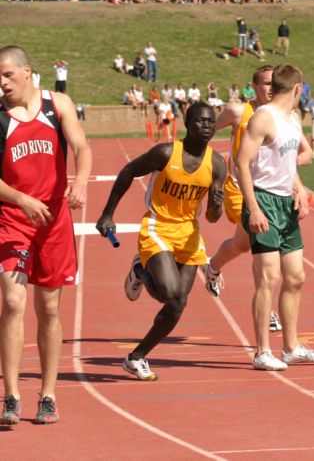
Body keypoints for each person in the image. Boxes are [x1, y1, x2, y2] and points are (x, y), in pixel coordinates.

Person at [95, 102, 227, 381]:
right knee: (169, 292)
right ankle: (141, 269)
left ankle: (136, 357)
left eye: (211, 122)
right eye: (201, 122)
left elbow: (214, 218)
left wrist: (217, 205)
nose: (207, 127)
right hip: (158, 225)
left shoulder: (216, 163)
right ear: (188, 124)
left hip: (189, 232)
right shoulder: (166, 153)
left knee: (178, 304)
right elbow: (129, 170)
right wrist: (108, 213)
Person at [0, 45, 92, 425]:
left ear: (26, 72)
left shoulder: (57, 105)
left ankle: (49, 395)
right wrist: (21, 199)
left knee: (50, 308)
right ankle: (10, 396)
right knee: (13, 301)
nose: (2, 83)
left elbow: (82, 147)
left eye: (7, 75)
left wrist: (82, 180)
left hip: (52, 222)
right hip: (12, 218)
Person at [235, 64, 314, 371]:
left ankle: (290, 347)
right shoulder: (264, 117)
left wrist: (300, 190)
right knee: (268, 278)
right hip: (262, 199)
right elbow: (242, 163)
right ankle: (262, 351)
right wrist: (254, 207)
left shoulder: (293, 118)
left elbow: (291, 160)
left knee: (296, 277)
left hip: (285, 202)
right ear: (298, 89)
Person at [205, 65, 311, 333]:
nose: (270, 88)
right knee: (262, 249)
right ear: (255, 86)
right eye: (265, 83)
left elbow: (302, 154)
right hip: (239, 188)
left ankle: (213, 265)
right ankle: (268, 307)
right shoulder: (239, 111)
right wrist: (210, 172)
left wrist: (295, 181)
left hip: (271, 188)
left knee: (242, 244)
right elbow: (206, 134)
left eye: (273, 83)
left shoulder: (287, 117)